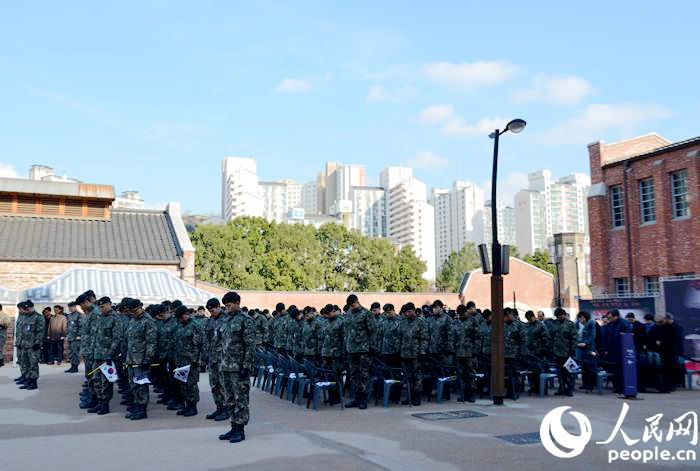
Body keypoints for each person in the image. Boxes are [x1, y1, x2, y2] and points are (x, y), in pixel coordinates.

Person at [219, 292, 256, 444]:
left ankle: (240, 430)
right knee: (229, 398)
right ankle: (233, 426)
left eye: (229, 305)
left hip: (239, 367)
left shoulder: (245, 320)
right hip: (226, 366)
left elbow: (250, 345)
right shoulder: (226, 319)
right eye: (225, 306)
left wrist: (246, 366)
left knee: (240, 398)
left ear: (237, 303)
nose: (227, 308)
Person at [124, 299, 156, 420]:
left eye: (135, 310)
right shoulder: (133, 320)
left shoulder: (147, 321)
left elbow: (151, 342)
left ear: (140, 307)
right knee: (133, 384)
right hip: (131, 358)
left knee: (141, 385)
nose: (133, 313)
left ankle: (142, 409)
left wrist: (148, 358)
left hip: (141, 358)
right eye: (131, 311)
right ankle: (136, 406)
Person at [90, 297, 123, 415]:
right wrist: (91, 351)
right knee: (96, 379)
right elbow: (95, 336)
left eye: (103, 306)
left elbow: (117, 338)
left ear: (109, 304)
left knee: (106, 381)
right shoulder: (99, 318)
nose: (101, 309)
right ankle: (99, 401)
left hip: (107, 356)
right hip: (97, 354)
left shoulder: (115, 318)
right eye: (100, 307)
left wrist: (110, 354)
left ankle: (105, 404)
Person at [343, 294, 376, 409]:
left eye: (353, 304)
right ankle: (356, 398)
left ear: (357, 301)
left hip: (363, 349)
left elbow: (372, 331)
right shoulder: (348, 314)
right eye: (350, 306)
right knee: (354, 375)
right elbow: (346, 331)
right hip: (351, 349)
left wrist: (372, 347)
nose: (352, 307)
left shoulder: (366, 314)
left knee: (364, 375)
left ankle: (363, 399)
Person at [173, 304, 203, 417]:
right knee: (182, 384)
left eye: (182, 317)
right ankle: (186, 405)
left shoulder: (195, 325)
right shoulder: (180, 325)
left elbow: (198, 345)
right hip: (180, 360)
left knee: (191, 385)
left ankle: (192, 407)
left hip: (191, 361)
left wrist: (195, 360)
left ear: (186, 315)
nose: (180, 320)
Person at [398, 303, 429, 406]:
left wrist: (422, 352)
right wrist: (399, 351)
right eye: (406, 312)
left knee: (417, 376)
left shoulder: (421, 322)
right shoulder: (402, 323)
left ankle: (417, 397)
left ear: (414, 311)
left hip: (416, 354)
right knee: (408, 377)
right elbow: (399, 338)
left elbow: (424, 339)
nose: (407, 314)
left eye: (409, 312)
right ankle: (409, 397)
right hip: (404, 354)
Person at [204, 298, 228, 421]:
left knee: (223, 385)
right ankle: (218, 407)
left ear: (219, 306)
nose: (211, 313)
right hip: (212, 358)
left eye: (212, 310)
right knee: (214, 384)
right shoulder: (210, 321)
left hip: (223, 358)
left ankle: (225, 409)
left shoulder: (227, 319)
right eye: (209, 311)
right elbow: (206, 338)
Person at [601, 309, 632, 394]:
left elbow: (629, 336)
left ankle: (623, 388)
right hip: (612, 351)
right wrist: (605, 349)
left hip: (622, 351)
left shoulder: (624, 324)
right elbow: (606, 337)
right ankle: (617, 387)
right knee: (615, 370)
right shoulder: (610, 324)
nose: (608, 319)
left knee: (622, 370)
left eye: (610, 317)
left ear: (616, 316)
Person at [16, 301, 45, 390]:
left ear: (32, 307)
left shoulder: (38, 317)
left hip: (33, 345)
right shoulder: (25, 316)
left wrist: (37, 343)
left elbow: (40, 332)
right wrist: (20, 342)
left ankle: (33, 382)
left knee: (33, 364)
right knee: (26, 363)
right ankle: (28, 380)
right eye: (25, 309)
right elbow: (22, 331)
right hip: (24, 344)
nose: (26, 310)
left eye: (27, 309)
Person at [549, 307, 577, 396]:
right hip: (557, 352)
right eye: (557, 316)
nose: (559, 317)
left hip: (567, 352)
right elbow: (551, 337)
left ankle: (570, 389)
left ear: (564, 315)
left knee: (569, 372)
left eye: (560, 315)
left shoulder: (570, 325)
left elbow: (574, 339)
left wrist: (572, 350)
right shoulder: (553, 324)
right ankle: (561, 388)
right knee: (560, 372)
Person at [453, 304, 478, 402]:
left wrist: (475, 350)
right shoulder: (457, 322)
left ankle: (472, 394)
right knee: (461, 374)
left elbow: (478, 337)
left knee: (471, 374)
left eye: (462, 314)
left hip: (470, 352)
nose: (460, 316)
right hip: (459, 352)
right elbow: (454, 336)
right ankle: (464, 394)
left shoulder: (473, 321)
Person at [523, 310, 550, 394]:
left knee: (540, 371)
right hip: (529, 353)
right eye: (527, 319)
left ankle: (542, 389)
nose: (529, 320)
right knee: (531, 372)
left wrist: (544, 350)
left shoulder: (540, 326)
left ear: (533, 317)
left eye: (530, 318)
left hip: (539, 353)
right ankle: (533, 387)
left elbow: (546, 338)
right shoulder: (526, 326)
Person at [576, 311, 597, 392]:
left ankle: (590, 385)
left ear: (585, 317)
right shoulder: (578, 325)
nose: (580, 319)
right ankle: (584, 384)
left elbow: (592, 336)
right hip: (580, 347)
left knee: (590, 368)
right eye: (579, 317)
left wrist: (585, 343)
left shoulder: (591, 324)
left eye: (581, 317)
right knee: (583, 367)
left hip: (589, 348)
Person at [64, 302, 83, 373]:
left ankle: (75, 366)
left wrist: (79, 335)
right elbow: (68, 326)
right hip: (70, 336)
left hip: (76, 337)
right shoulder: (69, 316)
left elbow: (81, 326)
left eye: (71, 307)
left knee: (75, 352)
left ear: (75, 307)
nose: (70, 309)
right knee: (70, 352)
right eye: (69, 308)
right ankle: (72, 365)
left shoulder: (79, 315)